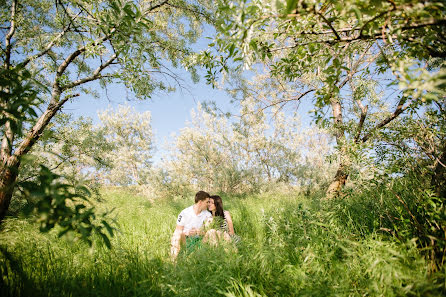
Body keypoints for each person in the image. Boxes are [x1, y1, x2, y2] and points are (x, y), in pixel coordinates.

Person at [170, 191, 212, 260]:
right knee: (177, 235)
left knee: (211, 232)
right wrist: (187, 233)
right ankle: (173, 262)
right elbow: (178, 230)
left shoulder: (208, 215)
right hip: (186, 240)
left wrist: (199, 232)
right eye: (207, 202)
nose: (208, 204)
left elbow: (209, 232)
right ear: (200, 202)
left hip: (201, 241)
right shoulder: (184, 213)